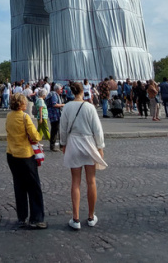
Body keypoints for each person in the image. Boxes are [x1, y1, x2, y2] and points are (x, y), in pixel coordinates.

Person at [60, 81, 106, 230]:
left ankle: (76, 218)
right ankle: (91, 216)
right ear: (83, 92)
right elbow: (97, 130)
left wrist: (63, 144)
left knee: (75, 182)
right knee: (91, 181)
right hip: (88, 142)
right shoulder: (89, 107)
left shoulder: (67, 107)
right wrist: (100, 147)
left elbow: (63, 128)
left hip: (73, 143)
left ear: (71, 92)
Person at [5, 92, 46, 229]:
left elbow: (8, 131)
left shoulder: (9, 116)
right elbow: (35, 136)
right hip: (25, 156)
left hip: (11, 154)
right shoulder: (24, 117)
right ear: (21, 104)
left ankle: (22, 217)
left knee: (19, 186)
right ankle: (36, 219)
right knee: (34, 187)